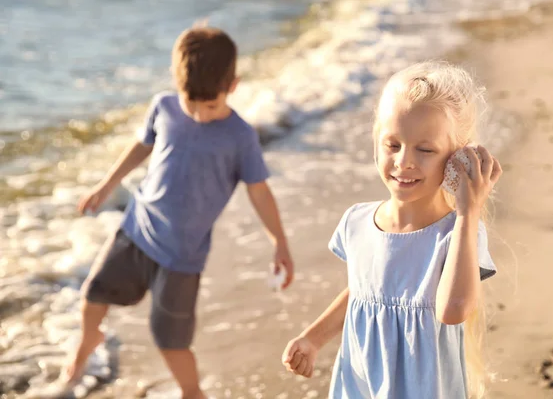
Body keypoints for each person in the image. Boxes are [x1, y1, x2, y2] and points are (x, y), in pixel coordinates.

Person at [58, 24, 294, 399]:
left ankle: (192, 392)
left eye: (211, 105)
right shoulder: (164, 106)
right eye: (191, 103)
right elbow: (141, 147)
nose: (199, 114)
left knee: (170, 340)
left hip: (182, 257)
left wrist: (279, 242)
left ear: (233, 86)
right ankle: (79, 360)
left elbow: (259, 191)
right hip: (137, 230)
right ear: (177, 83)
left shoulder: (239, 137)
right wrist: (106, 185)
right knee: (93, 297)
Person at [282, 61, 502, 398]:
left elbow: (452, 310)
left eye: (425, 149)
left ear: (459, 156)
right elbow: (363, 292)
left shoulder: (457, 234)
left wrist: (467, 211)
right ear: (376, 142)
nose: (404, 162)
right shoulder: (356, 222)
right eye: (392, 145)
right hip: (359, 385)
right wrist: (313, 338)